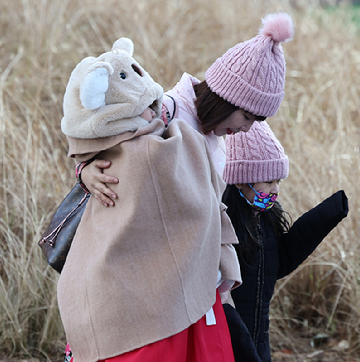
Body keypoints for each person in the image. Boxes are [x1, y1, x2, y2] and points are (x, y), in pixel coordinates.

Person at [57, 37, 241, 362]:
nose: (155, 110)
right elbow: (201, 206)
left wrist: (84, 168)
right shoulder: (160, 150)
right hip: (160, 309)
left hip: (106, 300)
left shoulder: (104, 156)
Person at [78, 12, 295, 207]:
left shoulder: (218, 143)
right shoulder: (163, 112)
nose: (247, 129)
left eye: (255, 121)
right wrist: (85, 172)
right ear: (225, 98)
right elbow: (98, 142)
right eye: (246, 116)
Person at [220, 121, 350, 362]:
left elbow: (276, 265)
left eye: (278, 181)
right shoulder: (222, 223)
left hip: (260, 338)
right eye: (269, 182)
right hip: (230, 341)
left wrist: (325, 216)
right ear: (240, 181)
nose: (276, 190)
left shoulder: (266, 218)